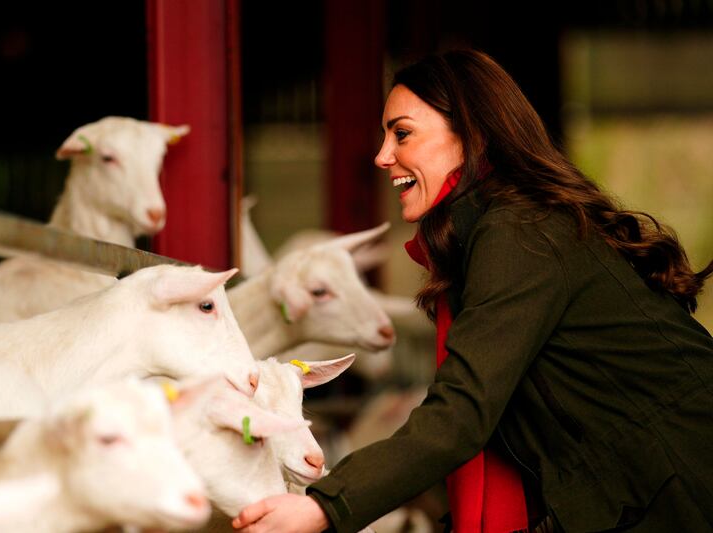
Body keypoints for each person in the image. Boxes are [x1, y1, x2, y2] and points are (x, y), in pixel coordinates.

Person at [232, 49, 713, 533]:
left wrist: (325, 507)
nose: (382, 156)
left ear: (472, 133)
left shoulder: (521, 231)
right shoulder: (501, 231)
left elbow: (463, 412)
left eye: (402, 133)